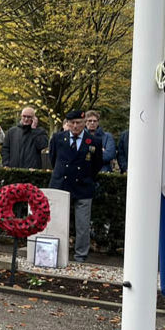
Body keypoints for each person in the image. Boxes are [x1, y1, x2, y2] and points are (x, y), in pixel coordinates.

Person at [49, 110, 104, 262]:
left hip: (83, 187)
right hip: (61, 185)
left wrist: (86, 177)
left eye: (78, 123)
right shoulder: (58, 138)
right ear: (67, 123)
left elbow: (96, 164)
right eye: (71, 123)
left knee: (82, 225)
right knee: (57, 222)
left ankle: (80, 255)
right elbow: (53, 160)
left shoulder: (93, 141)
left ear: (84, 123)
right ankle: (56, 253)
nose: (75, 126)